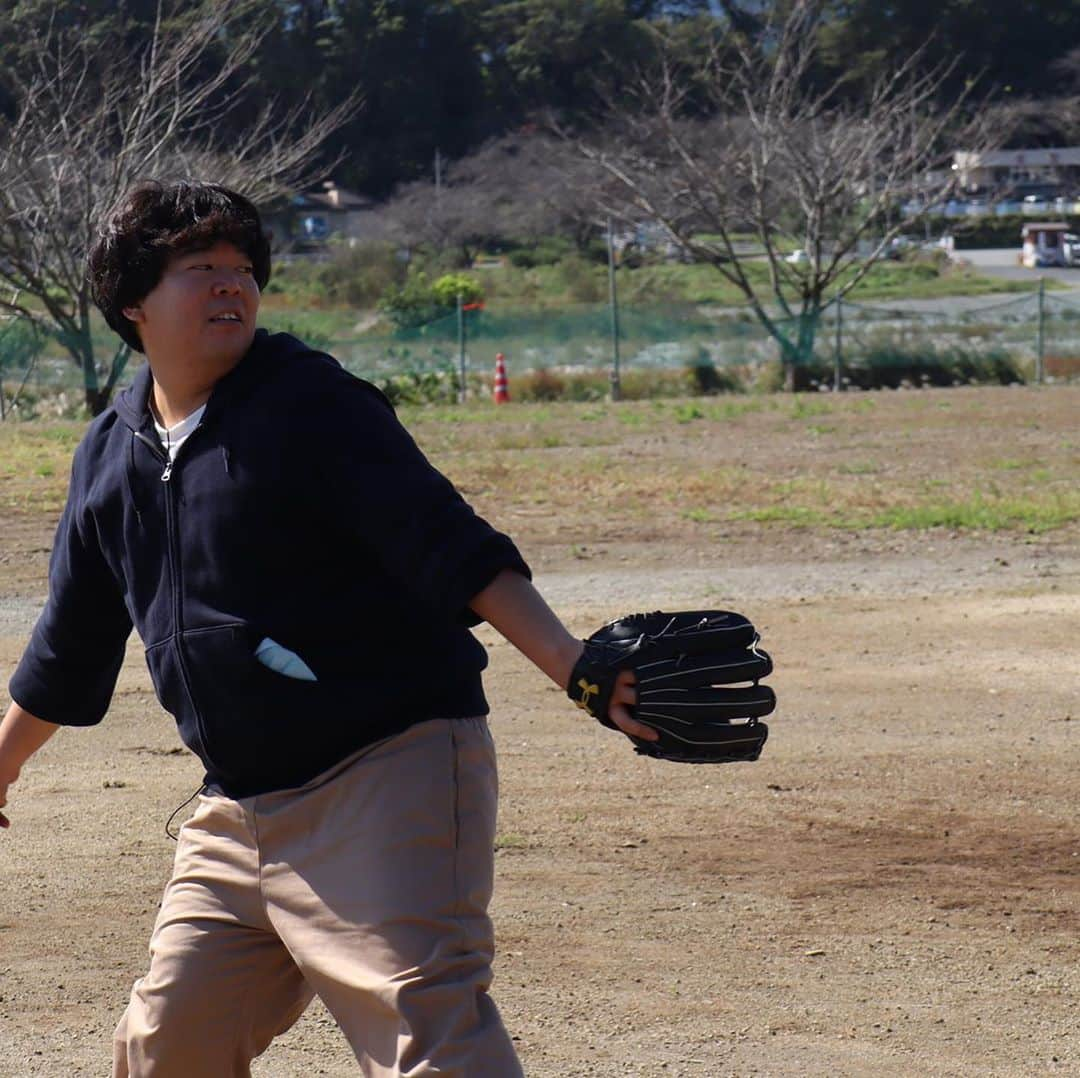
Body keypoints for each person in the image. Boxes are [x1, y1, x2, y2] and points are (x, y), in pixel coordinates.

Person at [0, 180, 653, 1077]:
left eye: (241, 269)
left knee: (427, 1038)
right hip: (235, 810)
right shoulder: (112, 453)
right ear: (133, 304)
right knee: (167, 1047)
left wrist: (576, 666)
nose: (231, 285)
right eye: (200, 269)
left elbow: (452, 546)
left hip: (385, 774)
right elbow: (71, 641)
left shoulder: (311, 405)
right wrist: (2, 762)